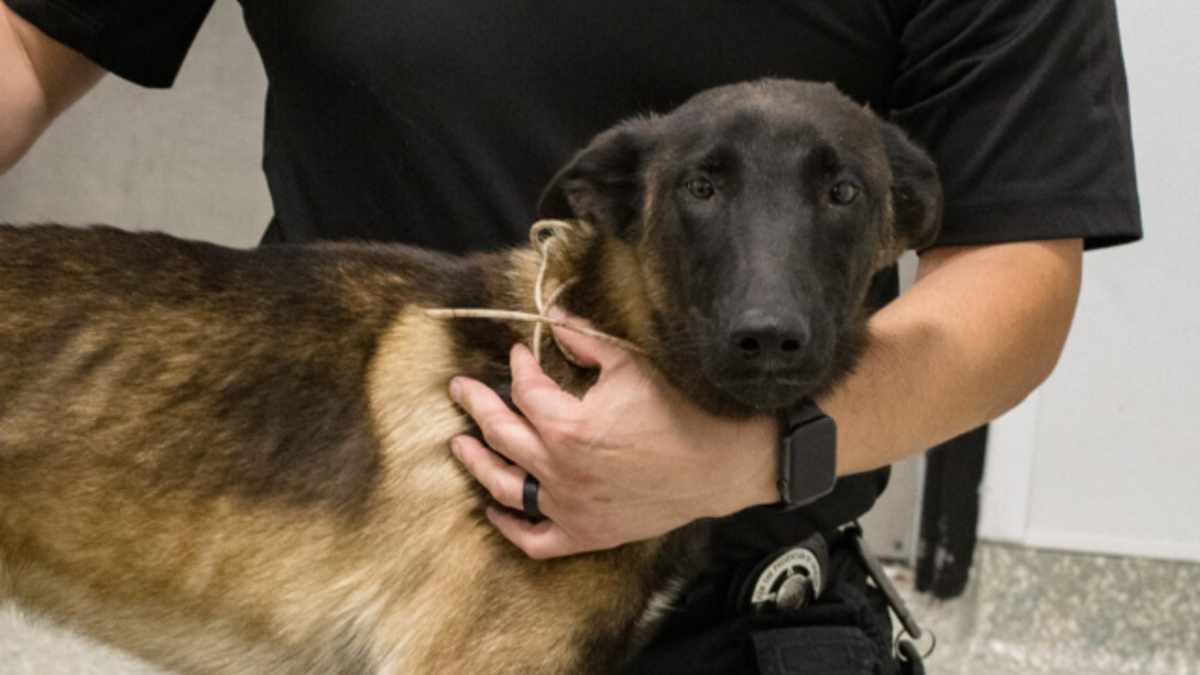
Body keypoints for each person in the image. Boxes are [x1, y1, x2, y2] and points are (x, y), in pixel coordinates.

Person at [0, 1, 1141, 672]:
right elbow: (26, 43)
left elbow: (1016, 262)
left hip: (751, 587)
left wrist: (751, 454)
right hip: (305, 467)